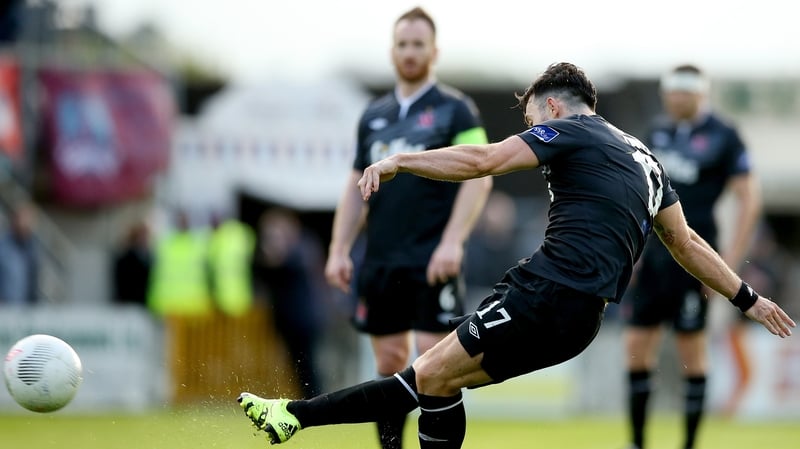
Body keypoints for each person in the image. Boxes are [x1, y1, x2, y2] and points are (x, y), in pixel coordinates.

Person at [236, 62, 795, 449]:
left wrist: (403, 161)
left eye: (531, 121)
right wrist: (747, 296)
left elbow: (483, 160)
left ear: (552, 105)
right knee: (438, 382)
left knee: (424, 373)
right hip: (581, 321)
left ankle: (294, 416)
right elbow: (688, 242)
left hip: (548, 293)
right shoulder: (646, 157)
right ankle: (297, 417)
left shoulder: (571, 129)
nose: (532, 132)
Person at [322, 7, 492, 448]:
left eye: (418, 44)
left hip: (432, 256)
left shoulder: (455, 109)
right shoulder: (373, 115)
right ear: (392, 51)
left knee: (436, 366)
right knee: (390, 361)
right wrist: (339, 249)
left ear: (434, 51)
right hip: (381, 259)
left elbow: (482, 175)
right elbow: (354, 184)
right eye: (403, 44)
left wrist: (453, 242)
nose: (410, 52)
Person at [621, 64, 762, 449]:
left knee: (692, 351)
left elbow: (748, 197)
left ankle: (690, 444)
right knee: (635, 347)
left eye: (684, 92)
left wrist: (727, 263)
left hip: (696, 257)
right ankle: (636, 442)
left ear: (700, 94)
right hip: (652, 255)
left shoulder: (724, 135)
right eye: (672, 92)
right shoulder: (657, 132)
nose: (676, 99)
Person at [253, 207, 328, 398]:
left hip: (303, 319)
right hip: (289, 320)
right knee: (298, 363)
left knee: (306, 363)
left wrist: (274, 252)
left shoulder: (300, 248)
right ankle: (309, 399)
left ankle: (314, 399)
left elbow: (284, 267)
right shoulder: (287, 251)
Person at [0, 200, 40, 305]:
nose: (25, 226)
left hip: (24, 312)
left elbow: (33, 283)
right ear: (14, 220)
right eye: (22, 221)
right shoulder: (3, 247)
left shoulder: (32, 249)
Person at [112, 218, 153, 306]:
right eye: (141, 236)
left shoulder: (149, 257)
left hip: (144, 304)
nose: (144, 239)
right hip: (128, 305)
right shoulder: (124, 259)